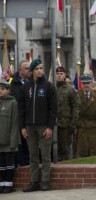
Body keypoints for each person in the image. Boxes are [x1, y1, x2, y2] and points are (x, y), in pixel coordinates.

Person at [19, 59, 57, 192]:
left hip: (44, 126)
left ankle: (45, 181)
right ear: (32, 71)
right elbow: (21, 109)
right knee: (33, 155)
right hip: (29, 126)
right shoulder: (26, 87)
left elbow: (53, 109)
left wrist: (50, 127)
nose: (40, 70)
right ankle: (34, 181)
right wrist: (22, 127)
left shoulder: (49, 86)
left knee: (45, 155)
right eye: (37, 69)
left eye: (41, 68)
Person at [76, 75, 96, 157]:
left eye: (88, 83)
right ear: (82, 84)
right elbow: (74, 111)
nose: (86, 85)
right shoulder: (76, 95)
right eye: (84, 83)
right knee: (83, 153)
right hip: (82, 127)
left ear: (91, 83)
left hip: (95, 127)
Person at [56, 66, 80, 160]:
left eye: (61, 74)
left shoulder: (70, 89)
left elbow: (76, 107)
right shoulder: (52, 88)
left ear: (65, 75)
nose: (59, 76)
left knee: (65, 149)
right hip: (54, 124)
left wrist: (73, 124)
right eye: (57, 74)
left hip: (66, 124)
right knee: (54, 149)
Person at [9, 60, 31, 166]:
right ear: (20, 70)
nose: (29, 70)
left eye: (29, 68)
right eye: (26, 68)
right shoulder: (12, 84)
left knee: (30, 145)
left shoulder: (32, 82)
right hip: (17, 119)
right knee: (20, 145)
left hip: (30, 118)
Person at [0, 80, 19, 193]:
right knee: (1, 164)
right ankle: (2, 184)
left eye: (3, 89)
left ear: (8, 90)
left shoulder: (13, 103)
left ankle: (9, 184)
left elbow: (15, 123)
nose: (0, 91)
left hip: (9, 141)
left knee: (9, 164)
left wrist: (13, 141)